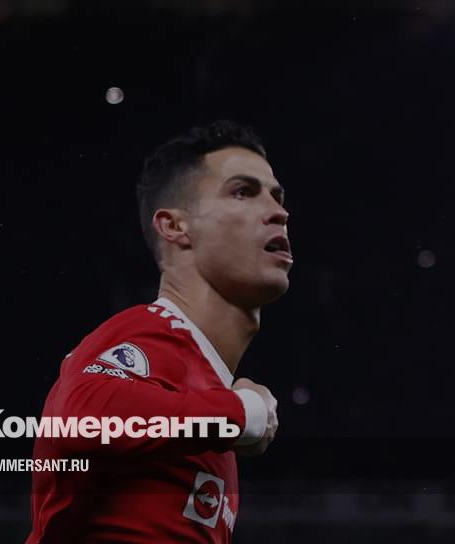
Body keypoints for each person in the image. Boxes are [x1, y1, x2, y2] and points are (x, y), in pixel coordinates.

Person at [26, 120, 291, 543]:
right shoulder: (151, 332)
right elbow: (80, 418)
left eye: (277, 197)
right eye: (243, 192)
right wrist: (244, 412)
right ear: (174, 227)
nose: (279, 212)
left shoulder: (202, 414)